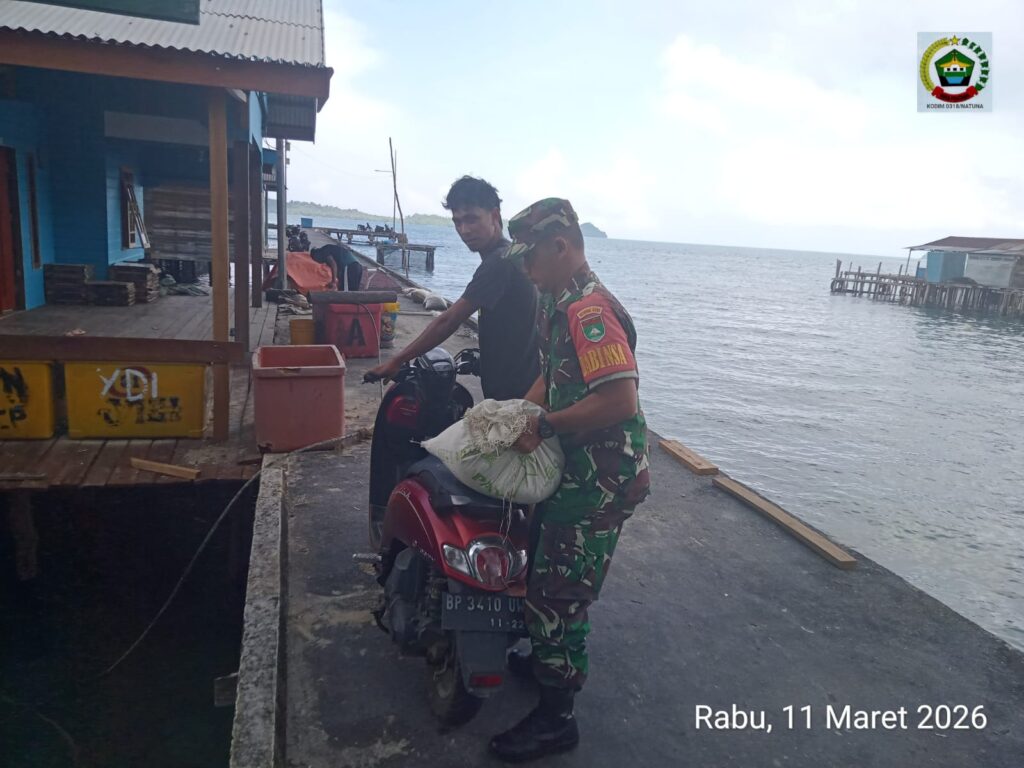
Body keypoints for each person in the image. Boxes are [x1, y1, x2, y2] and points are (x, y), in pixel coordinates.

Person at [489, 198, 651, 762]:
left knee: (559, 593)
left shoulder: (589, 311)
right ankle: (544, 660)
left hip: (600, 478)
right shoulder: (557, 300)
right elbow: (553, 372)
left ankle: (557, 718)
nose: (525, 269)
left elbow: (620, 400)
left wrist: (545, 424)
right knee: (543, 567)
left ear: (560, 247)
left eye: (530, 257)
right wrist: (519, 411)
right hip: (575, 467)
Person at [365, 176, 539, 400]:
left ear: (495, 216)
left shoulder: (499, 262)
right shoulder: (512, 254)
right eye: (458, 222)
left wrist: (397, 360)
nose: (464, 230)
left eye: (472, 219)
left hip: (514, 394)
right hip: (522, 383)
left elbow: (449, 320)